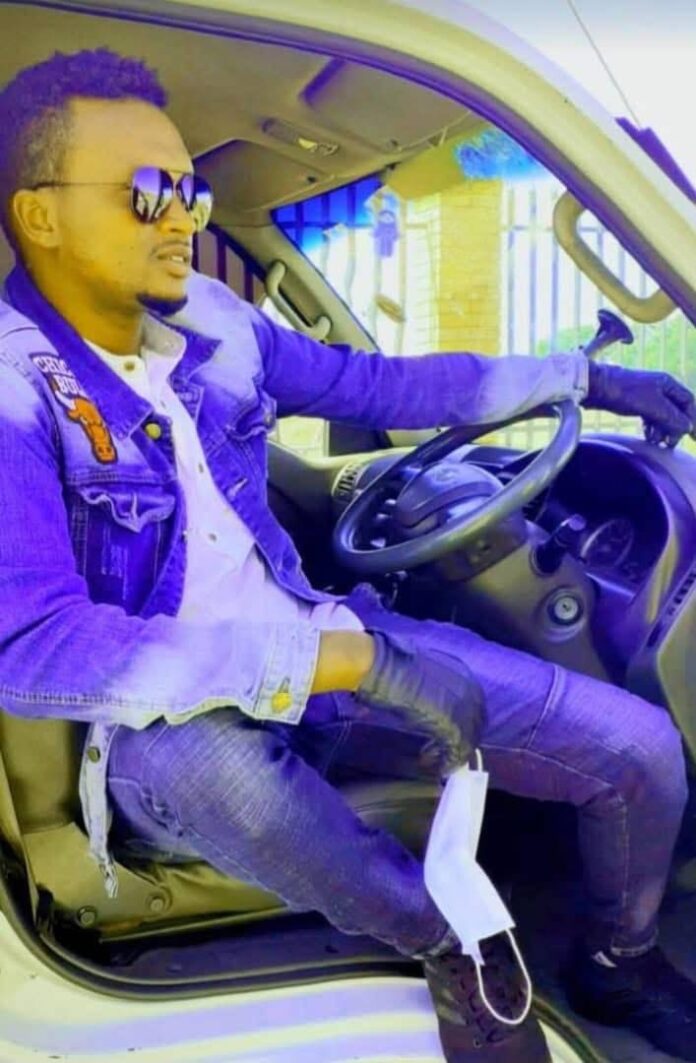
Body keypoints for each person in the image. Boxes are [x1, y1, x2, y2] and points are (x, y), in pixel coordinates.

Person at [0, 47, 695, 1063]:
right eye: (149, 191)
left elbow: (381, 387)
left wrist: (582, 379)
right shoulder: (16, 391)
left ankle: (617, 957)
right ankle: (454, 943)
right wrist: (338, 661)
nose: (183, 217)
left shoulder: (217, 324)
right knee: (202, 759)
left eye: (192, 191)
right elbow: (35, 644)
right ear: (41, 216)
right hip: (166, 729)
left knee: (640, 748)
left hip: (324, 651)